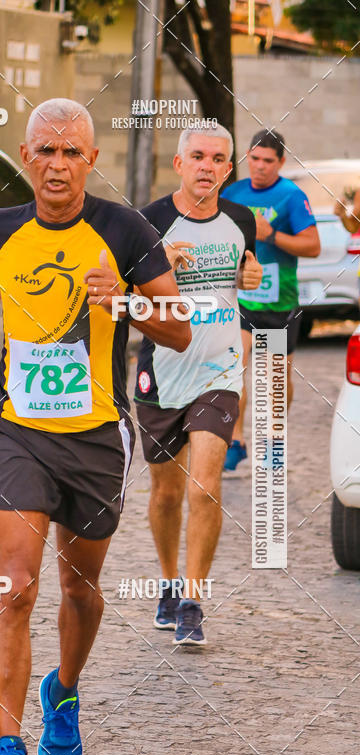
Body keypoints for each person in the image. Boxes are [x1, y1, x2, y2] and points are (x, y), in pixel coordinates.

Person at [0, 98, 190, 755]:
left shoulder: (124, 229)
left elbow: (177, 330)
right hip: (19, 431)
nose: (57, 165)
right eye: (45, 152)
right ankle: (7, 753)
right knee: (16, 585)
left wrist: (123, 302)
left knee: (80, 590)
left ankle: (64, 691)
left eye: (72, 153)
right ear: (26, 158)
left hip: (95, 436)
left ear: (92, 160)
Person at [135, 125, 262, 646]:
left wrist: (248, 283)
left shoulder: (241, 219)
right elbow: (123, 296)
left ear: (229, 169)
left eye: (217, 158)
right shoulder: (148, 221)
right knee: (166, 493)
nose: (207, 166)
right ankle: (167, 583)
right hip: (162, 371)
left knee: (205, 487)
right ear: (178, 164)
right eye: (197, 157)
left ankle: (193, 599)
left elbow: (245, 277)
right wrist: (159, 268)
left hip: (220, 370)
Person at [222, 129, 321, 471]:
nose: (260, 166)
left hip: (280, 302)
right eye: (255, 159)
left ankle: (273, 441)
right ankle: (236, 441)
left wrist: (272, 235)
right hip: (242, 299)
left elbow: (313, 246)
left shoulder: (291, 196)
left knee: (275, 379)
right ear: (247, 157)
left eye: (268, 160)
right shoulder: (232, 194)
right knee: (235, 368)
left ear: (281, 162)